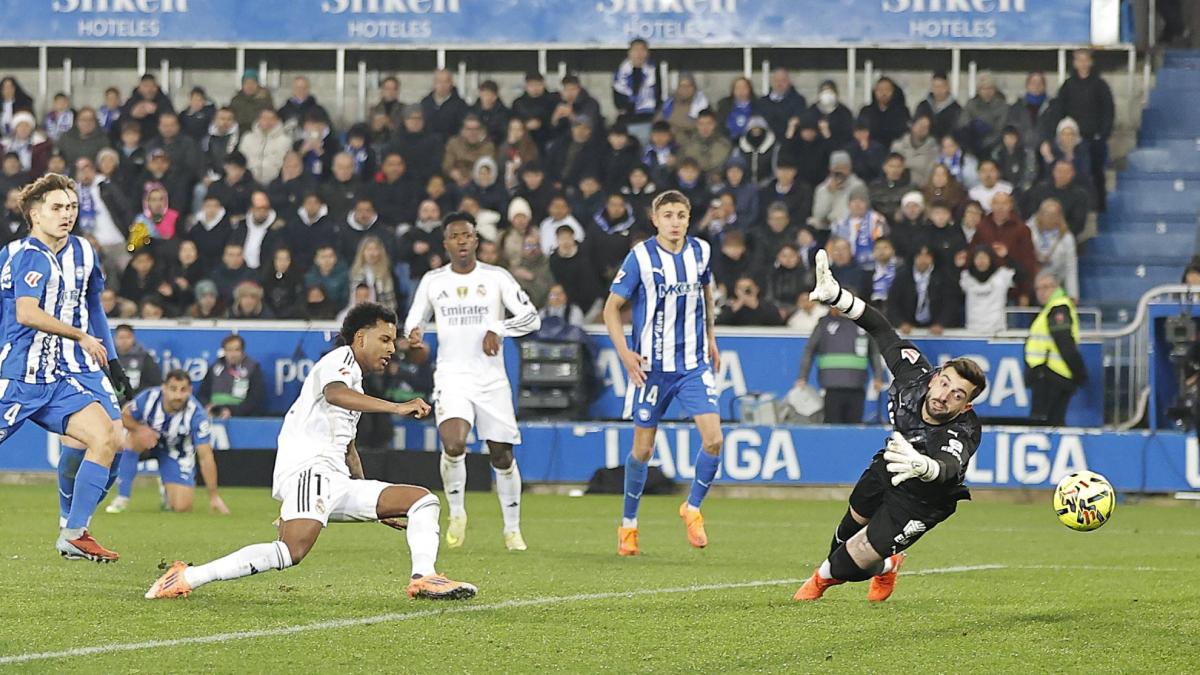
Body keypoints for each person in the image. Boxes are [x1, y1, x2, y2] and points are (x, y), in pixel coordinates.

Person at [146, 303, 476, 601]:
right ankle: (187, 577)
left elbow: (348, 448)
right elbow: (334, 394)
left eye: (393, 340)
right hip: (311, 471)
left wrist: (373, 501)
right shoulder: (339, 361)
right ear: (361, 338)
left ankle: (424, 578)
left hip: (337, 479)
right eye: (385, 339)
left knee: (422, 500)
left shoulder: (356, 382)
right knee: (291, 551)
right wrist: (396, 407)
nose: (392, 348)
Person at [793, 249, 988, 602]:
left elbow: (949, 466)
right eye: (945, 383)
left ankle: (820, 581)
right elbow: (880, 328)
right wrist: (838, 297)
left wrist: (925, 466)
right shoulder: (914, 375)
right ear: (935, 378)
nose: (945, 396)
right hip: (891, 465)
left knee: (846, 563)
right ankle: (887, 565)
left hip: (924, 501)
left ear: (966, 405)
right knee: (843, 537)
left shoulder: (963, 429)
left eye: (958, 395)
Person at [0, 174, 123, 561]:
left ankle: (73, 532)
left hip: (53, 379)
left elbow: (94, 305)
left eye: (71, 207)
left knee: (106, 436)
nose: (66, 214)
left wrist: (109, 359)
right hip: (16, 377)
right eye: (56, 207)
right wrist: (80, 335)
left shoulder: (75, 253)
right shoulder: (28, 255)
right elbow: (26, 313)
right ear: (35, 214)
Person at [404, 212, 540, 552]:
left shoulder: (496, 277)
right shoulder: (433, 281)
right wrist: (414, 338)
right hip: (452, 376)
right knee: (453, 444)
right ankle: (457, 513)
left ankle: (512, 530)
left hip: (491, 380)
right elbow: (413, 325)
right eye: (455, 236)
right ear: (446, 243)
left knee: (501, 456)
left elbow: (531, 318)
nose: (462, 241)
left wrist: (499, 328)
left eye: (467, 235)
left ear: (476, 240)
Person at [604, 190, 723, 556]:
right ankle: (628, 525)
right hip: (651, 369)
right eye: (668, 215)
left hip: (692, 365)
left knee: (714, 440)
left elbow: (706, 294)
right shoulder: (641, 257)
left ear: (689, 219)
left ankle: (693, 507)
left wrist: (711, 338)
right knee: (643, 449)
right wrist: (625, 354)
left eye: (681, 215)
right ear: (655, 220)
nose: (675, 222)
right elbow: (611, 308)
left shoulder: (701, 251)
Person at [105, 370, 229, 515]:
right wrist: (140, 429)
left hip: (175, 451)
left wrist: (213, 496)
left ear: (190, 390)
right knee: (133, 438)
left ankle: (167, 489)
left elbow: (205, 456)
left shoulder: (197, 415)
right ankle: (122, 497)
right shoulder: (149, 398)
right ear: (164, 388)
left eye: (183, 390)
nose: (178, 395)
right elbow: (124, 416)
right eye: (173, 389)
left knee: (182, 507)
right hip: (148, 442)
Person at [797, 309, 884, 424]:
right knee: (832, 427)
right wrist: (803, 377)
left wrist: (878, 376)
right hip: (832, 389)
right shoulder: (824, 324)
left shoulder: (863, 324)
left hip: (857, 387)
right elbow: (809, 350)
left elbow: (874, 352)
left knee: (854, 428)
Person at [1024, 271, 1086, 426]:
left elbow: (1064, 342)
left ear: (1057, 287)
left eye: (1046, 287)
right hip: (1046, 375)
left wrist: (1079, 372)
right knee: (1050, 423)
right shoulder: (1050, 308)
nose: (1041, 292)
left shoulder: (1058, 308)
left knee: (1048, 425)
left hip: (1052, 376)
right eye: (1038, 288)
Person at [1056, 49, 1113, 209]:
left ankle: (1099, 207)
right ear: (1074, 63)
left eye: (1085, 59)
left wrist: (1103, 134)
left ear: (1091, 62)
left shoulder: (1100, 85)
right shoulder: (1067, 85)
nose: (1082, 63)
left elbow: (1108, 110)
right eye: (1079, 60)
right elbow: (1059, 110)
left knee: (1096, 173)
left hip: (1094, 139)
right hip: (1071, 140)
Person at [199, 333, 266, 419]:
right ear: (224, 351)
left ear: (242, 351)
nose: (233, 354)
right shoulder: (215, 367)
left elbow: (255, 398)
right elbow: (202, 394)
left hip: (242, 417)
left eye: (236, 350)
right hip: (214, 416)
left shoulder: (252, 368)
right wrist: (208, 407)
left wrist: (231, 411)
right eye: (229, 350)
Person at [612, 38, 660, 143]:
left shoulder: (654, 71)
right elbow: (618, 100)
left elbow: (659, 96)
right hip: (626, 121)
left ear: (647, 53)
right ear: (629, 53)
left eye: (642, 50)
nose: (639, 54)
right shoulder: (621, 72)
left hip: (647, 120)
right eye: (635, 50)